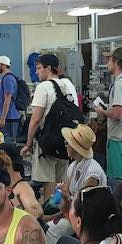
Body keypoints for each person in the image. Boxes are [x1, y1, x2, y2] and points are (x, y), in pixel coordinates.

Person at [21, 54, 79, 200]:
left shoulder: (43, 87)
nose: (37, 72)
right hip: (67, 139)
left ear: (48, 68)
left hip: (48, 141)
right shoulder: (69, 84)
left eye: (39, 68)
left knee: (49, 182)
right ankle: (64, 213)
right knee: (63, 179)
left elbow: (35, 119)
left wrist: (28, 143)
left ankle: (51, 216)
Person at [44, 124, 106, 244]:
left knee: (50, 231)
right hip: (74, 211)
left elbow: (84, 205)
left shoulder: (92, 174)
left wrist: (64, 199)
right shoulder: (74, 166)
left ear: (75, 147)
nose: (65, 145)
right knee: (43, 222)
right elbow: (65, 198)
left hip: (86, 217)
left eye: (67, 142)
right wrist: (55, 202)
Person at [96, 47, 122, 180]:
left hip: (118, 137)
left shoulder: (119, 84)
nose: (107, 64)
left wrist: (102, 111)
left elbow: (118, 113)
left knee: (117, 179)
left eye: (109, 60)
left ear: (116, 62)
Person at [0, 55, 21, 141]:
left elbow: (8, 98)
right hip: (8, 118)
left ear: (3, 65)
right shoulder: (8, 77)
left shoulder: (8, 78)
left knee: (8, 144)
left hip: (9, 118)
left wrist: (2, 119)